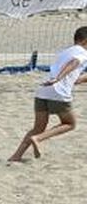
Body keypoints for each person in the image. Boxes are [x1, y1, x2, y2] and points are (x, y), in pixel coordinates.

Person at [9, 25, 87, 162]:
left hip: (43, 90)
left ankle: (16, 156)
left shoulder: (65, 52)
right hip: (59, 92)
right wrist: (59, 78)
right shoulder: (82, 53)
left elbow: (75, 78)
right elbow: (74, 63)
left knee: (38, 127)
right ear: (85, 41)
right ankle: (38, 138)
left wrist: (62, 78)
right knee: (70, 123)